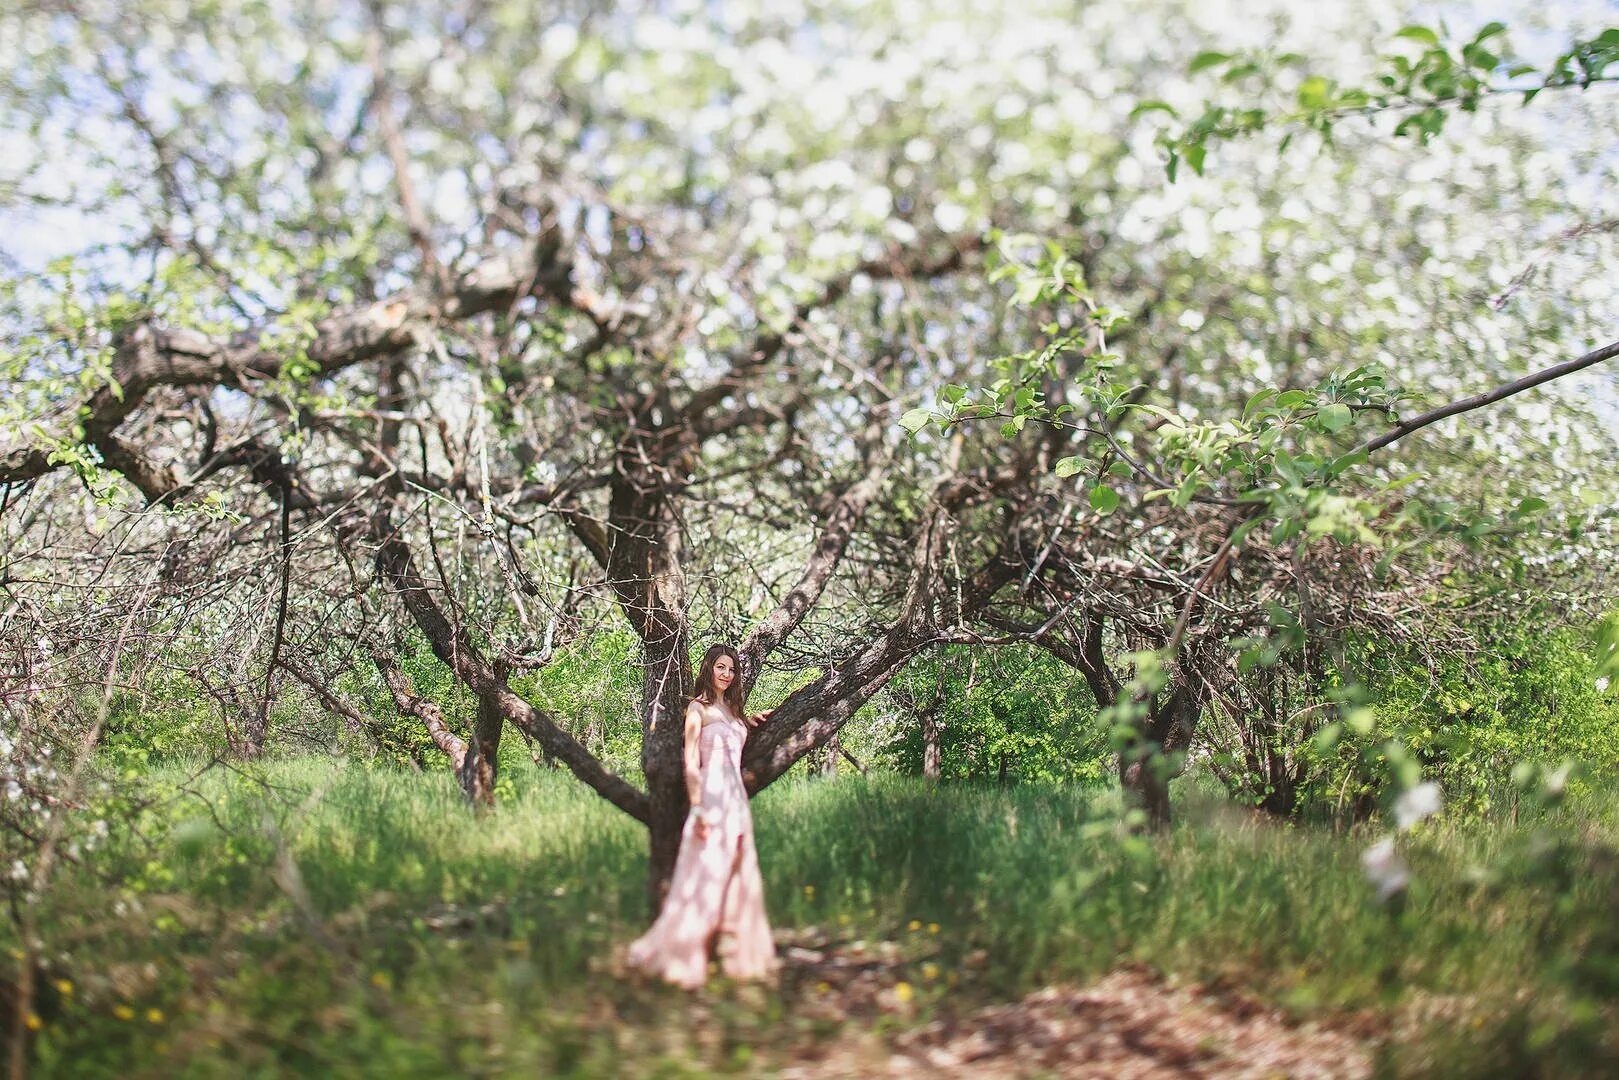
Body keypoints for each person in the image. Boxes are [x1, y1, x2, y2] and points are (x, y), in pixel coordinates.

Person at [625, 644, 778, 988]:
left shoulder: (732, 709)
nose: (727, 674)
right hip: (711, 796)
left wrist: (748, 722)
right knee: (705, 871)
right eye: (720, 667)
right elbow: (691, 763)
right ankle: (681, 954)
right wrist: (698, 807)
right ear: (709, 669)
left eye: (732, 669)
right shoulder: (698, 708)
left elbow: (733, 737)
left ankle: (737, 952)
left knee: (738, 869)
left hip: (734, 796)